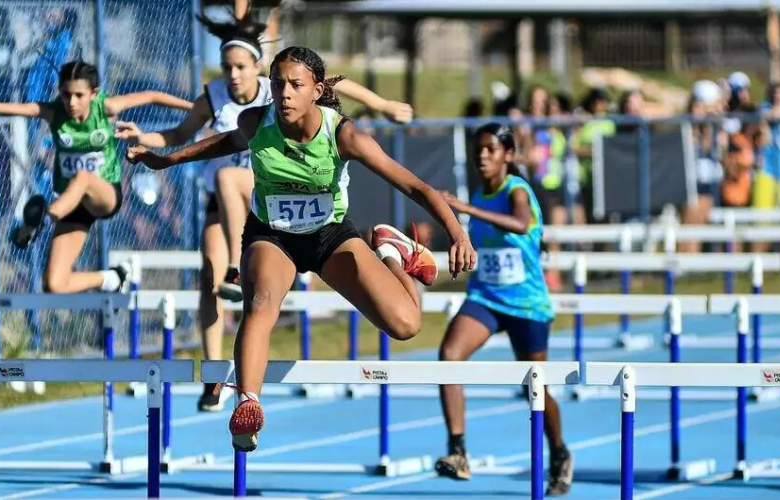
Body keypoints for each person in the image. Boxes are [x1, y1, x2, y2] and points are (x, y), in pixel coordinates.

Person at [126, 45, 475, 451]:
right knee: (261, 302)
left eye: (295, 85)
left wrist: (458, 233)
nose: (285, 93)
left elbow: (415, 185)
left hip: (329, 236)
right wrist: (166, 161)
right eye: (277, 84)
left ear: (316, 89)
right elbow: (221, 143)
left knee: (406, 325)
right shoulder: (257, 121)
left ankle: (392, 252)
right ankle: (248, 403)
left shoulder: (343, 134)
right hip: (272, 235)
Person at [114, 12, 413, 413]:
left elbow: (335, 83)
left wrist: (382, 103)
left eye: (240, 67)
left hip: (272, 199)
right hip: (237, 209)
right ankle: (217, 373)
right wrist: (150, 146)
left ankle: (241, 269)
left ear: (256, 67)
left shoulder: (277, 92)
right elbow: (179, 136)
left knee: (230, 181)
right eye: (227, 68)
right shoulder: (213, 96)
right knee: (209, 276)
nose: (234, 76)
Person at [0, 61, 193, 295]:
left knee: (82, 176)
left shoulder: (106, 107)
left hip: (104, 195)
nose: (71, 102)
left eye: (79, 96)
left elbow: (152, 96)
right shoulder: (53, 111)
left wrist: (196, 109)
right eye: (66, 95)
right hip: (72, 204)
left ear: (93, 93)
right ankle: (113, 278)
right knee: (55, 284)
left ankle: (41, 221)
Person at [436, 123, 573, 496]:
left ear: (508, 155)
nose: (482, 156)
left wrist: (465, 208)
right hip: (486, 298)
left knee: (536, 385)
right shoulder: (480, 193)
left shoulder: (517, 191)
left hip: (526, 303)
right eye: (478, 149)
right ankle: (458, 451)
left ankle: (559, 452)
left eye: (491, 150)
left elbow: (521, 223)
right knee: (449, 354)